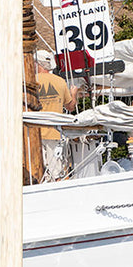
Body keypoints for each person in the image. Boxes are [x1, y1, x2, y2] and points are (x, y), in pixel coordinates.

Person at [34, 52, 79, 180]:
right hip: (55, 132)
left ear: (37, 64)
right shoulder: (60, 81)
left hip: (34, 132)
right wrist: (73, 94)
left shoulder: (30, 81)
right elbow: (70, 106)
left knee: (38, 172)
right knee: (56, 172)